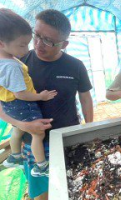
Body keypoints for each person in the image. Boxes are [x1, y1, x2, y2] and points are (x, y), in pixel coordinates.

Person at [0, 9, 93, 200]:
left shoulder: (75, 66)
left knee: (74, 186)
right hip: (34, 142)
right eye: (37, 35)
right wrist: (22, 125)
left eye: (49, 41)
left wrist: (89, 128)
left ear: (64, 44)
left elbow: (85, 98)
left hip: (69, 137)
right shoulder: (16, 62)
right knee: (43, 193)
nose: (38, 44)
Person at [0, 8, 58, 177]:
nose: (27, 49)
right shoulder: (10, 66)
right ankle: (40, 166)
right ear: (2, 43)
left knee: (17, 128)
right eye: (22, 45)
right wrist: (41, 96)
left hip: (10, 106)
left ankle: (15, 155)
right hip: (22, 104)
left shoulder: (5, 59)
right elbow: (21, 94)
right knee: (38, 133)